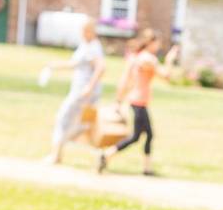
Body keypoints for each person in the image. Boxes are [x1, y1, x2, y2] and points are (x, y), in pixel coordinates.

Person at [97, 30, 178, 176]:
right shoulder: (148, 59)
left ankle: (146, 168)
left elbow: (125, 80)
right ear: (151, 43)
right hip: (139, 101)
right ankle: (107, 154)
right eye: (157, 43)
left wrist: (119, 100)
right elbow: (166, 76)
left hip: (136, 100)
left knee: (148, 135)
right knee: (136, 136)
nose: (159, 46)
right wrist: (170, 60)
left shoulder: (137, 57)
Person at [45, 18, 105, 165]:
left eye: (85, 31)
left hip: (83, 93)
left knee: (63, 118)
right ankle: (99, 155)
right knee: (80, 125)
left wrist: (89, 87)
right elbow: (75, 64)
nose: (82, 34)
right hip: (81, 91)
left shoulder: (94, 47)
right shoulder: (86, 45)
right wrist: (55, 66)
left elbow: (100, 68)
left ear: (91, 31)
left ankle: (55, 156)